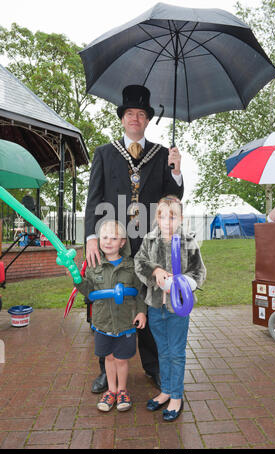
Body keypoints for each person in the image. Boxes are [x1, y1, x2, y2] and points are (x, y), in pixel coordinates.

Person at [84, 84, 184, 393]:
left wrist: (177, 171)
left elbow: (172, 197)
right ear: (122, 118)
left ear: (148, 119)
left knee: (150, 304)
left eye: (141, 114)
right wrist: (90, 237)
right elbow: (93, 199)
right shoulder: (104, 153)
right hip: (112, 245)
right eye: (130, 113)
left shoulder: (162, 154)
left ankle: (152, 367)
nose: (135, 119)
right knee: (110, 306)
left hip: (149, 245)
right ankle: (107, 369)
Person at [134, 195, 206, 421]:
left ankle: (176, 395)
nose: (166, 221)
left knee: (176, 353)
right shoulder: (149, 239)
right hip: (156, 306)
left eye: (172, 216)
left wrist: (182, 283)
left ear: (181, 218)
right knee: (162, 352)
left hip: (178, 309)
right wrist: (155, 271)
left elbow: (199, 272)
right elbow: (139, 263)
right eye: (161, 216)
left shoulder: (188, 242)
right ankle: (165, 390)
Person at [74, 220, 147, 412]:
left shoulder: (131, 266)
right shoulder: (94, 265)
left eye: (114, 238)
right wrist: (76, 278)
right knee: (109, 358)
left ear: (122, 242)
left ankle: (122, 390)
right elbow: (88, 291)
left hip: (125, 322)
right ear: (99, 240)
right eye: (104, 237)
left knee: (122, 359)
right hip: (103, 322)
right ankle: (111, 390)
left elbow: (139, 291)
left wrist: (141, 311)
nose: (108, 242)